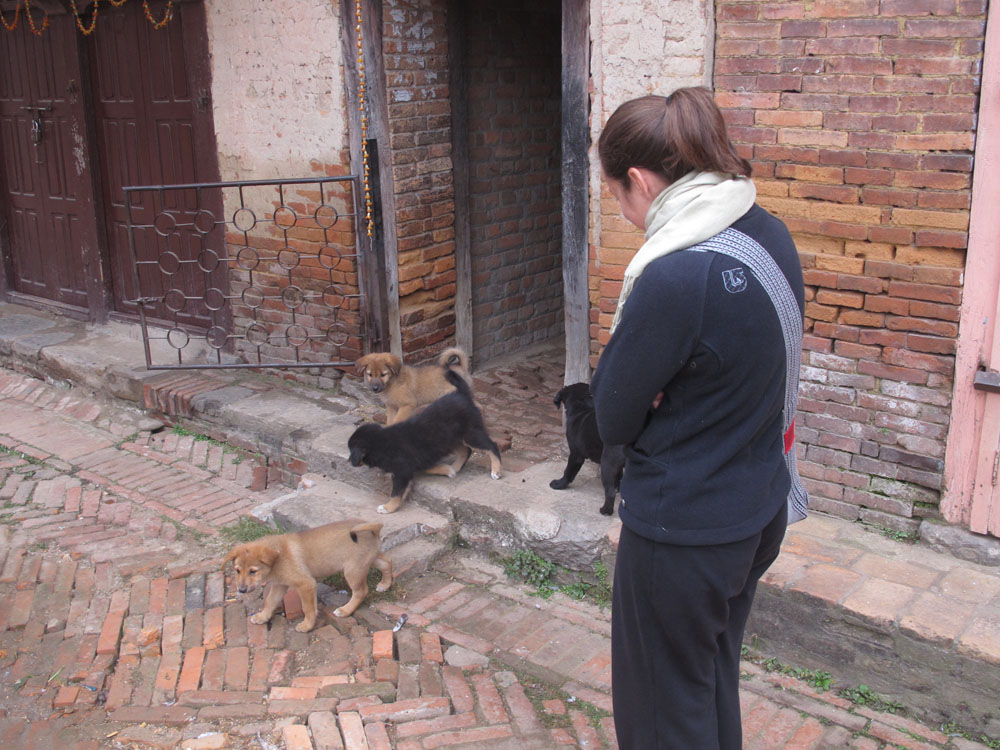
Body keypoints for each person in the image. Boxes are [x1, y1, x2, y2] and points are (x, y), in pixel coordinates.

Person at [590, 86, 807, 749]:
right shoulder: (764, 229)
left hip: (682, 536)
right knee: (704, 685)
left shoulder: (676, 276)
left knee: (661, 716)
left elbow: (609, 414)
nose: (625, 215)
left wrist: (648, 390)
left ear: (637, 180)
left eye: (618, 198)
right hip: (752, 513)